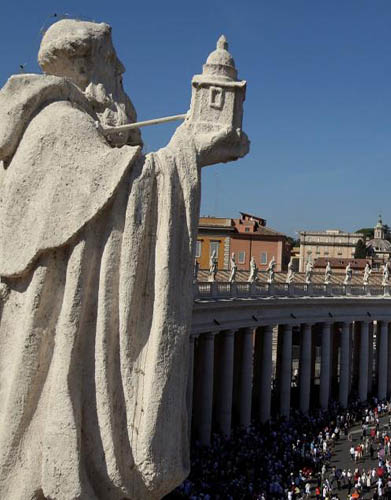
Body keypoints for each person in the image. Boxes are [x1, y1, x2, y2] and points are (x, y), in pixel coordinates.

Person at [0, 19, 248, 499]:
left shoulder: (50, 129)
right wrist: (187, 152)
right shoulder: (59, 126)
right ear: (90, 68)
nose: (123, 73)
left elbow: (111, 189)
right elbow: (128, 195)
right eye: (116, 65)